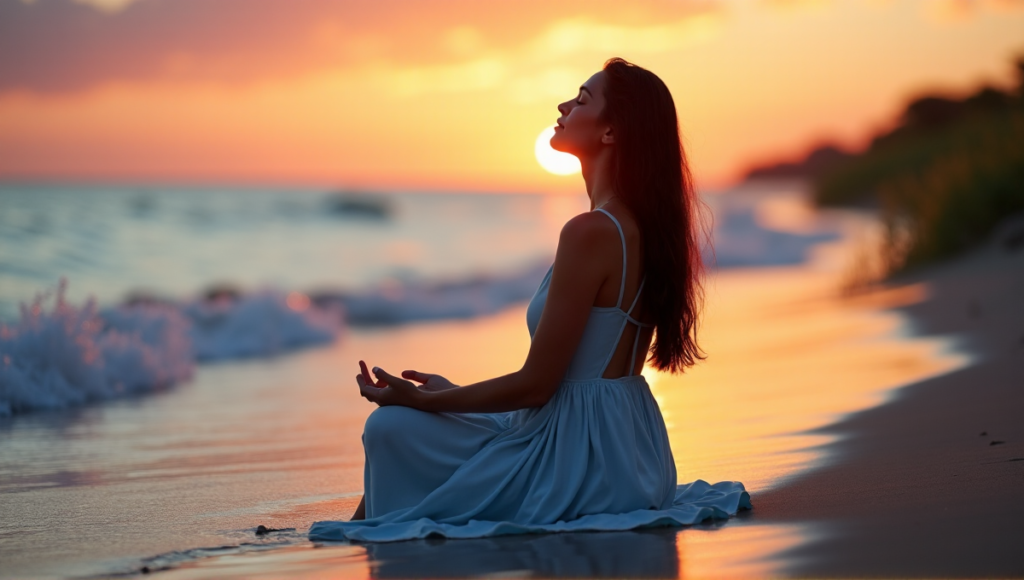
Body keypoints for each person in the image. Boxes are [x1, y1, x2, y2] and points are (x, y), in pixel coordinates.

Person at [309, 58, 750, 543]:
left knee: (390, 427)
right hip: (628, 447)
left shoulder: (591, 232)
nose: (563, 106)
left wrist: (427, 400)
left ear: (610, 133)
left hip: (583, 457)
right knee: (406, 427)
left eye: (581, 100)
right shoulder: (638, 228)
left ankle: (361, 537)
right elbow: (566, 381)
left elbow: (538, 386)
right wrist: (451, 398)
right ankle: (362, 531)